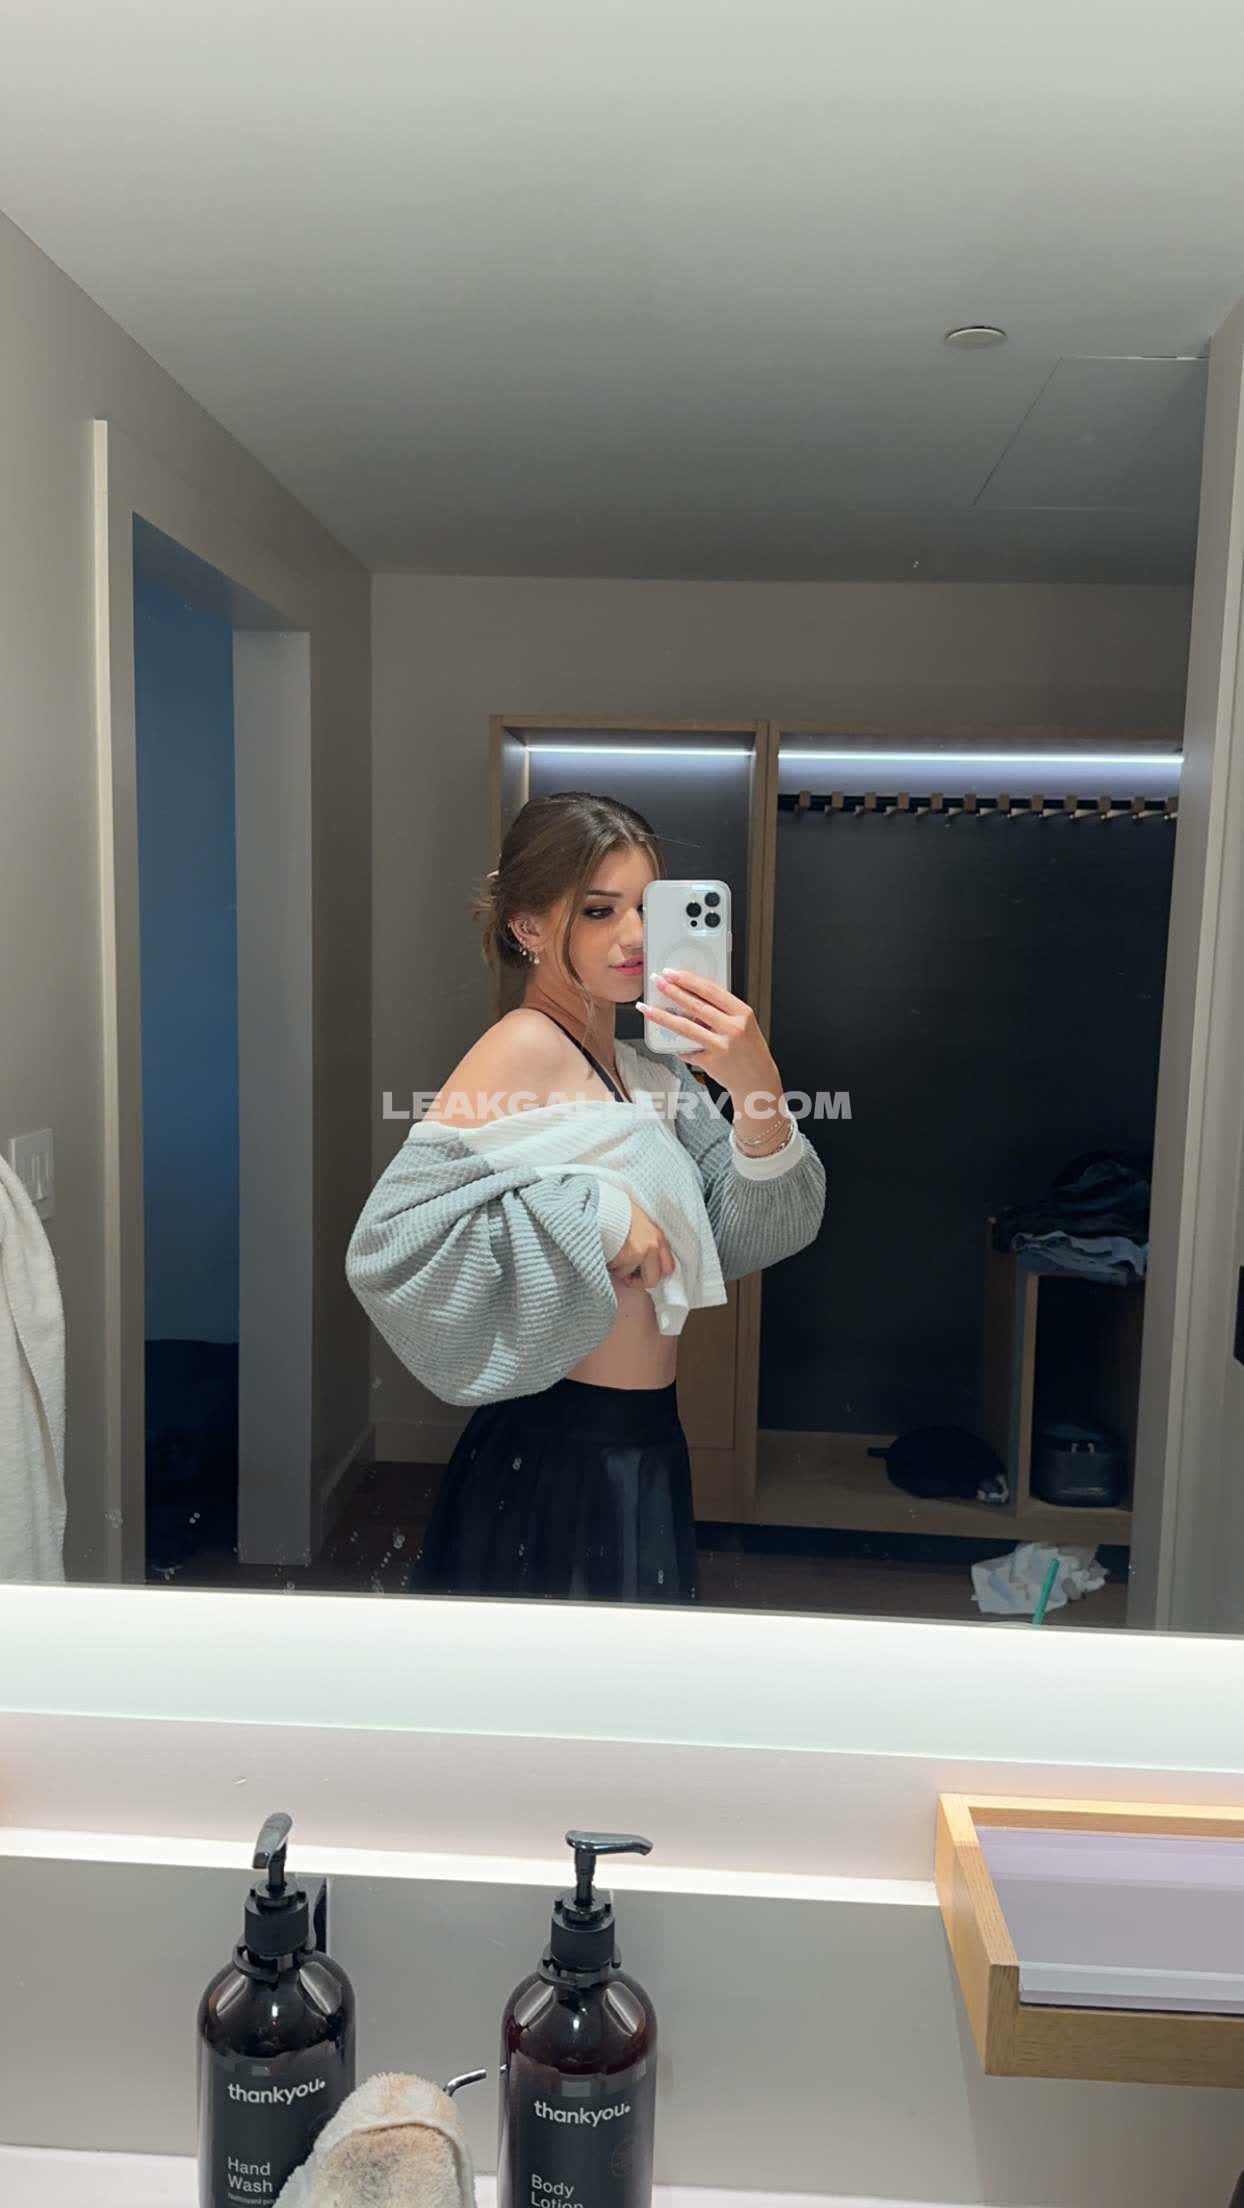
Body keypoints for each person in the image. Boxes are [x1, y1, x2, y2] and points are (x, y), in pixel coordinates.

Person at [345, 790, 825, 1605]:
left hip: (643, 1436)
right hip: (556, 1446)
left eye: (648, 907)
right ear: (528, 927)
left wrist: (756, 1087)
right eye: (600, 911)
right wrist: (594, 1215)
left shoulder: (651, 1069)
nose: (635, 936)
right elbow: (388, 1245)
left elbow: (754, 1233)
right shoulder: (523, 1048)